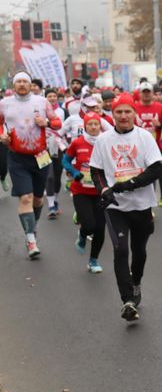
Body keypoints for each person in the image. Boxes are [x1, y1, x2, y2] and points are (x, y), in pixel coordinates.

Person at [89, 93, 162, 322]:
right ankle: (127, 300)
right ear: (113, 114)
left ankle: (136, 281)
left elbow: (155, 169)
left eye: (127, 111)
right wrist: (104, 190)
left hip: (141, 205)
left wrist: (125, 185)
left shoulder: (144, 138)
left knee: (139, 251)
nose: (123, 115)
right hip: (115, 207)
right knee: (121, 249)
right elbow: (97, 171)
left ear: (134, 114)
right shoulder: (103, 140)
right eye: (119, 112)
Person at [0, 71, 63, 258]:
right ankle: (30, 239)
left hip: (41, 156)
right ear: (14, 85)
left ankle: (32, 227)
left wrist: (47, 123)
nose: (21, 84)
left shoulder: (42, 102)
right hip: (17, 157)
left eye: (24, 82)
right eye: (18, 81)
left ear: (30, 85)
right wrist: (2, 136)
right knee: (25, 198)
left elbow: (58, 123)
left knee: (38, 199)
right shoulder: (4, 103)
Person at [62, 112, 106, 273]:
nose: (94, 127)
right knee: (89, 225)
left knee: (100, 229)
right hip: (81, 191)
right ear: (85, 126)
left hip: (101, 192)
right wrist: (74, 173)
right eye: (90, 124)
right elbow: (65, 160)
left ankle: (93, 261)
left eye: (96, 124)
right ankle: (82, 235)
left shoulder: (105, 142)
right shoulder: (77, 143)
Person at [134, 82, 162, 207]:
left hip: (157, 146)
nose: (147, 94)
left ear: (152, 93)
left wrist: (160, 125)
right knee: (143, 174)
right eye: (144, 92)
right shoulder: (134, 107)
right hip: (138, 147)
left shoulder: (159, 107)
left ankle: (160, 198)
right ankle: (143, 202)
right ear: (140, 93)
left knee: (157, 173)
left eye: (149, 92)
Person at [44, 88, 67, 218]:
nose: (52, 98)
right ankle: (51, 205)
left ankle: (56, 200)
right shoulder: (39, 111)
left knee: (57, 176)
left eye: (54, 96)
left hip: (58, 146)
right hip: (42, 148)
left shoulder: (63, 111)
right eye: (49, 96)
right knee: (49, 176)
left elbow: (67, 128)